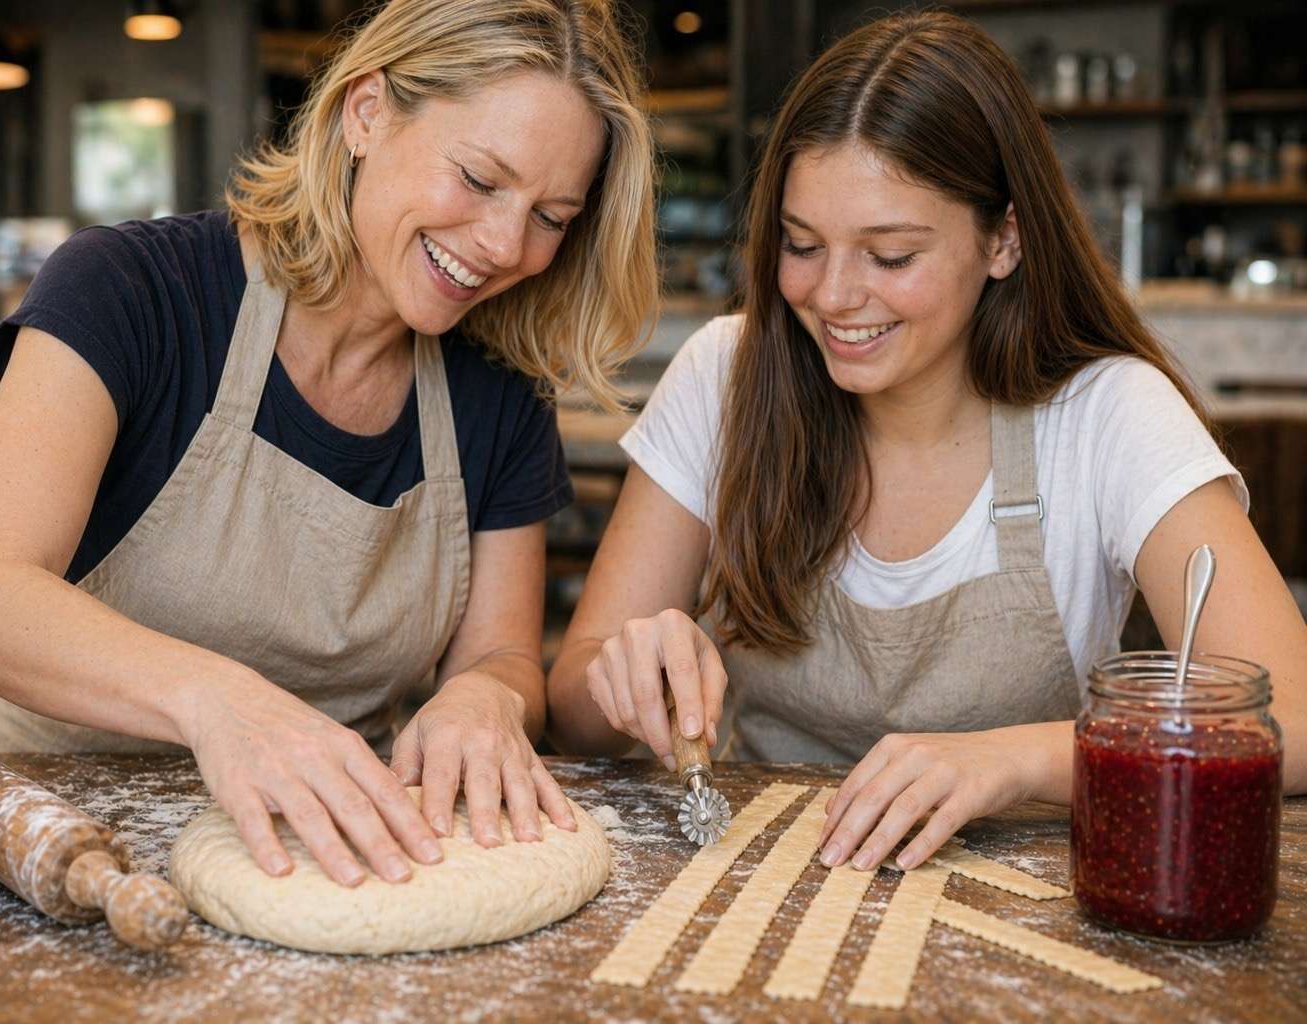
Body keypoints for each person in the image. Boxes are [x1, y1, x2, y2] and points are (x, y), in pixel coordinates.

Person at [547, 10, 1306, 873]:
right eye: (802, 245)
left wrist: (1012, 759)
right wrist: (622, 676)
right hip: (757, 875)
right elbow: (570, 710)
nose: (833, 295)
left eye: (891, 255)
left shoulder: (1106, 414)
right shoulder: (726, 373)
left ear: (1004, 240)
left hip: (1023, 893)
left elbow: (1294, 718)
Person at [0, 0, 656, 888]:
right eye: (479, 178)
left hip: (335, 863)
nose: (507, 245)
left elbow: (500, 654)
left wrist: (487, 697)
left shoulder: (499, 387)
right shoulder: (133, 292)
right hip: (44, 851)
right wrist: (218, 703)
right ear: (367, 112)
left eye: (553, 216)